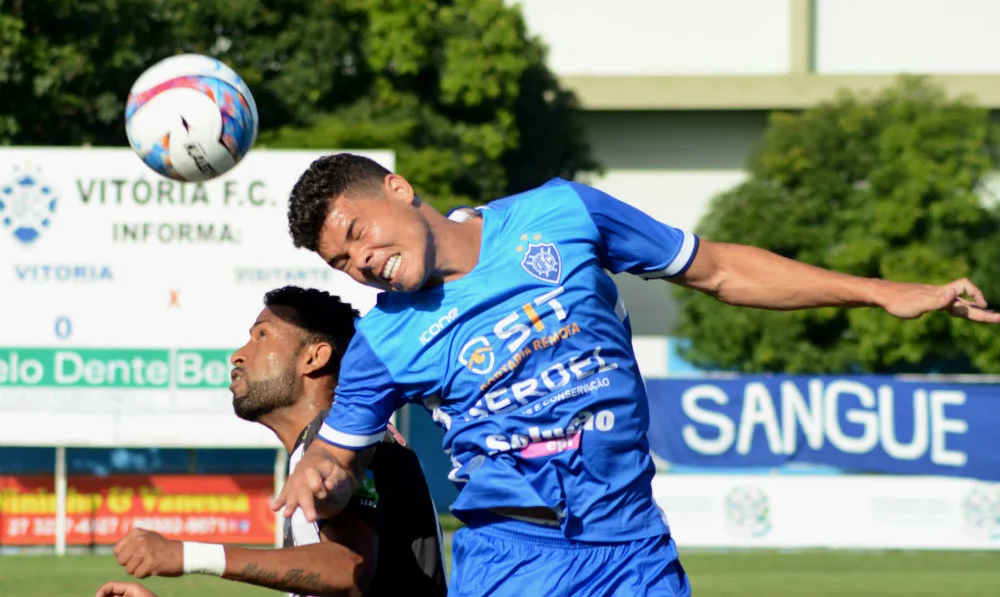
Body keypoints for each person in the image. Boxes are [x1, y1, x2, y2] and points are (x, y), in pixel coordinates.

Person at [272, 154, 1000, 597]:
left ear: (397, 189)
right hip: (518, 558)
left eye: (356, 233)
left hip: (636, 547)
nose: (359, 261)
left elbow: (717, 269)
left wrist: (880, 290)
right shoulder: (383, 338)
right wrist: (322, 475)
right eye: (339, 261)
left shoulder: (560, 214)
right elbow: (338, 453)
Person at [97, 286, 447, 597]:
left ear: (314, 357)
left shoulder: (340, 444)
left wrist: (186, 554)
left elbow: (347, 569)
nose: (238, 354)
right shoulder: (326, 444)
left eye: (262, 336)